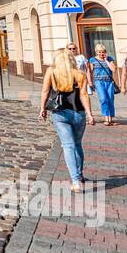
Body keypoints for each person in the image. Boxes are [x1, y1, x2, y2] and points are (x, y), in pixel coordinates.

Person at [39, 47, 95, 193]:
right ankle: (80, 174)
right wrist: (89, 113)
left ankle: (76, 181)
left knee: (68, 146)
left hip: (60, 113)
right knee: (77, 145)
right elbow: (84, 95)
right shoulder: (79, 74)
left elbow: (45, 91)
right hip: (78, 113)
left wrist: (42, 108)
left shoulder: (52, 71)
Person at [86, 44, 118, 127]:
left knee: (110, 99)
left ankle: (110, 118)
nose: (101, 54)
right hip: (99, 82)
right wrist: (90, 82)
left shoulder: (110, 59)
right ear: (96, 52)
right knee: (103, 99)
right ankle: (105, 118)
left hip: (109, 82)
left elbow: (114, 70)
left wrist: (106, 60)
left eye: (103, 52)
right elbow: (90, 71)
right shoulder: (92, 60)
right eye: (99, 52)